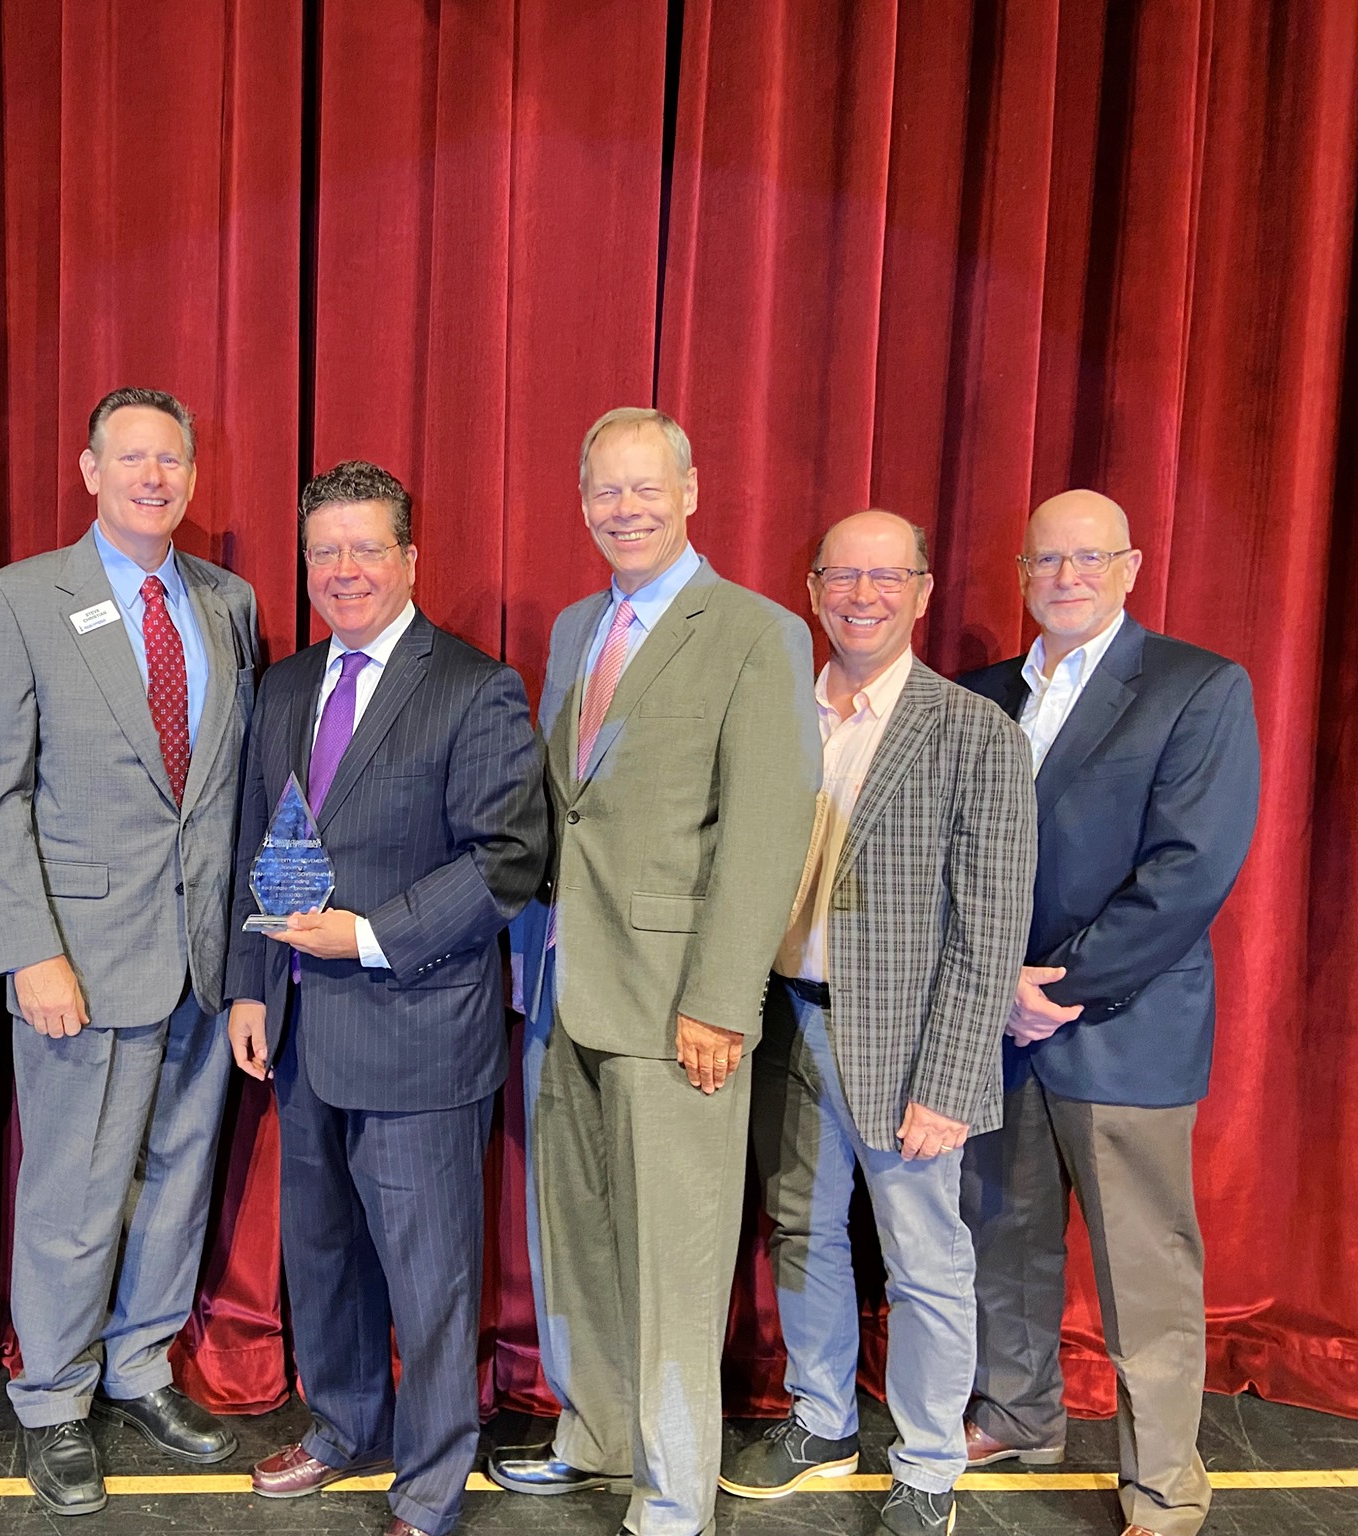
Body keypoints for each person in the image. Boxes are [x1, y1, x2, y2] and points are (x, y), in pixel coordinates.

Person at [492, 407, 820, 1536]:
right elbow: (564, 810)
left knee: (677, 1261)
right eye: (603, 491)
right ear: (580, 500)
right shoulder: (579, 625)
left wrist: (721, 1002)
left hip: (679, 1004)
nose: (622, 509)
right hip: (566, 988)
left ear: (690, 488)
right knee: (576, 1236)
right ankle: (596, 1438)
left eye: (644, 488)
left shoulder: (755, 631)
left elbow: (768, 834)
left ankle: (673, 1490)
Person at [225, 461, 546, 1536]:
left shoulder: (472, 685)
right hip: (304, 1031)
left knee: (428, 1275)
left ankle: (430, 1477)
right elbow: (256, 847)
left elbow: (505, 859)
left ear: (410, 559)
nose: (345, 569)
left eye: (367, 548)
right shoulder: (280, 687)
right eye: (325, 551)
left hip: (417, 1033)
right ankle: (340, 1421)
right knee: (319, 1254)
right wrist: (251, 987)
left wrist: (367, 936)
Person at [0, 387, 258, 1515]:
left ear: (189, 474)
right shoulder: (20, 599)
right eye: (129, 458)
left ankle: (136, 1367)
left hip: (200, 959)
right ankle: (51, 1397)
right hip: (76, 961)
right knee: (75, 1192)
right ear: (88, 470)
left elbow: (224, 791)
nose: (151, 476)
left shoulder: (228, 602)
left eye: (170, 459)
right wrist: (25, 952)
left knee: (178, 1182)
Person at [719, 510, 1035, 1535]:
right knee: (800, 1229)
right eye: (840, 577)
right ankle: (820, 1420)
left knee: (921, 1256)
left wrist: (948, 1080)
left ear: (923, 592)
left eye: (883, 577)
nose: (861, 595)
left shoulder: (971, 731)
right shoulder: (774, 715)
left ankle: (929, 1466)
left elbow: (990, 926)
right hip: (782, 1024)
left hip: (903, 1046)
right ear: (809, 590)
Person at [957, 489, 1259, 1536]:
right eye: (1046, 559)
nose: (1067, 576)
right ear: (1021, 570)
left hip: (1119, 1027)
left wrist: (1061, 988)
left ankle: (1163, 1486)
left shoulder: (1194, 688)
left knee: (1143, 1270)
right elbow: (945, 858)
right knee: (1003, 1236)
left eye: (1090, 558)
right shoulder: (977, 694)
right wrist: (994, 983)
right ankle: (1018, 1412)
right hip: (992, 1023)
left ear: (1130, 568)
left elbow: (1187, 872)